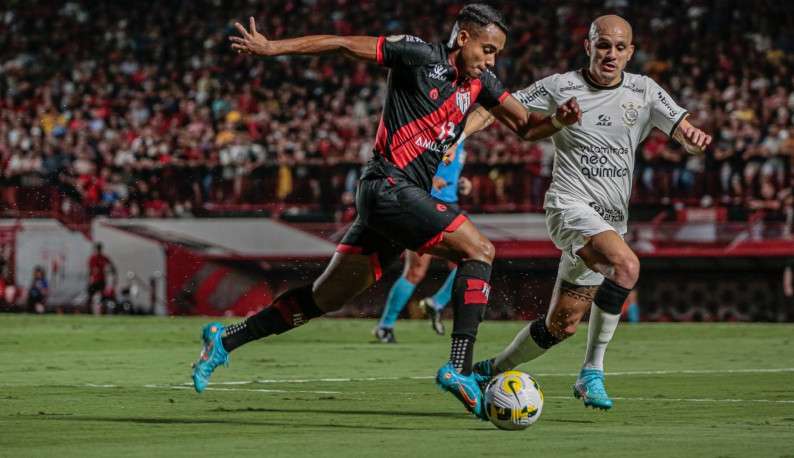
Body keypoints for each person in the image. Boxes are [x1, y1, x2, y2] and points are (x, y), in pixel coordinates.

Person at [192, 4, 581, 419]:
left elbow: (525, 127)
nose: (491, 60)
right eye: (487, 49)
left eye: (496, 54)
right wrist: (272, 48)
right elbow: (342, 44)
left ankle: (225, 340)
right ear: (463, 38)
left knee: (322, 299)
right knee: (480, 250)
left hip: (394, 202)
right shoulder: (418, 55)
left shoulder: (481, 83)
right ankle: (460, 368)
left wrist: (557, 120)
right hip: (388, 186)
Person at [458, 15, 712, 412]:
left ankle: (485, 371)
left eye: (619, 47)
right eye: (603, 45)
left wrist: (693, 141)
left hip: (609, 221)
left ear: (630, 52)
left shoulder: (644, 91)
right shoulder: (560, 86)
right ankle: (592, 372)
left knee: (560, 326)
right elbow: (496, 108)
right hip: (569, 206)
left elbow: (685, 133)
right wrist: (456, 135)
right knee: (626, 266)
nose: (611, 53)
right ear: (588, 46)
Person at [374, 141, 471, 342]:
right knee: (416, 271)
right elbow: (406, 163)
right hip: (425, 205)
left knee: (470, 260)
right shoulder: (437, 134)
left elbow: (449, 171)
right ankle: (385, 326)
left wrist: (461, 182)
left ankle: (435, 303)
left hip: (449, 205)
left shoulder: (461, 138)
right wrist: (429, 179)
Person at [87, 243, 117, 314]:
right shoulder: (92, 258)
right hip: (94, 281)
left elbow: (112, 266)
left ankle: (103, 311)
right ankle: (89, 312)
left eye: (99, 249)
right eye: (97, 249)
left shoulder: (104, 258)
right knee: (90, 297)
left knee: (103, 297)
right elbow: (90, 270)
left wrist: (113, 275)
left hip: (102, 280)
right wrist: (89, 279)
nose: (98, 250)